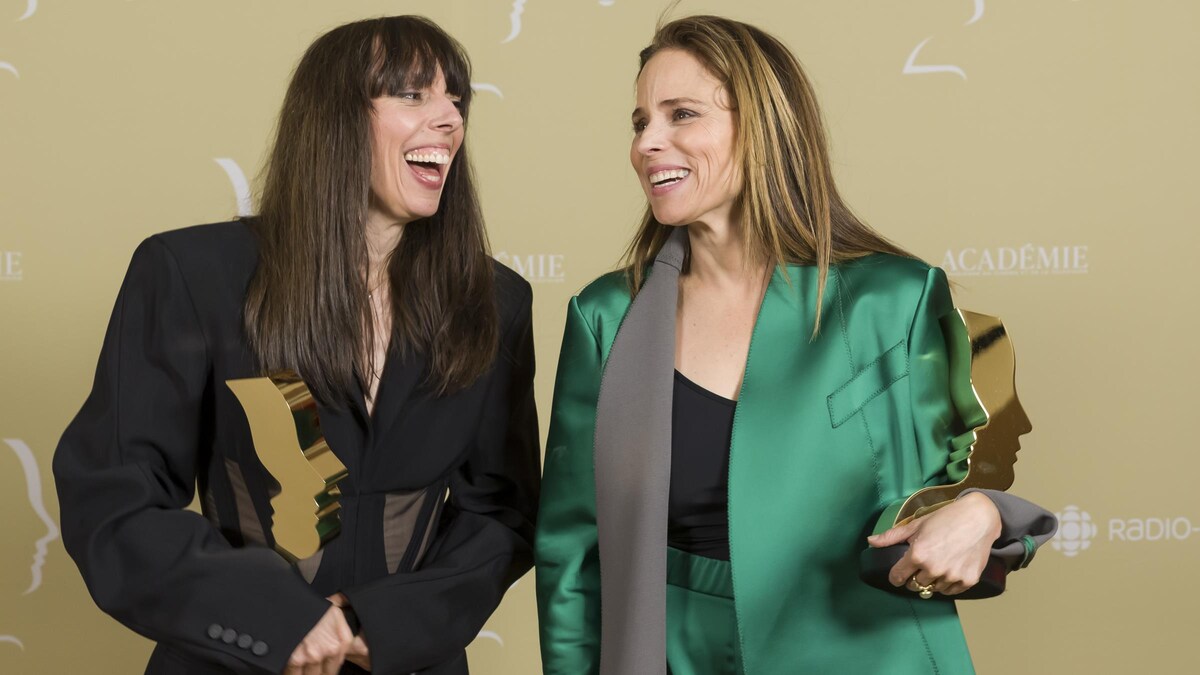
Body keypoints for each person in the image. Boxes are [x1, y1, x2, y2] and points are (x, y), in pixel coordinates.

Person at [534, 15, 1056, 675]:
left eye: (681, 115)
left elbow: (965, 477)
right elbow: (572, 551)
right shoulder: (605, 316)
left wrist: (984, 511)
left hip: (871, 652)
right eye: (640, 122)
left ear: (760, 127)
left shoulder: (895, 298)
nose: (648, 144)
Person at [53, 16, 539, 675]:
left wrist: (378, 624)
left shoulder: (495, 300)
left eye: (457, 98)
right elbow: (114, 500)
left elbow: (502, 515)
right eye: (412, 94)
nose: (450, 118)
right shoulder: (191, 274)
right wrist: (277, 619)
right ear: (333, 118)